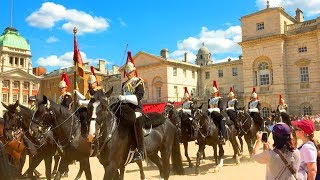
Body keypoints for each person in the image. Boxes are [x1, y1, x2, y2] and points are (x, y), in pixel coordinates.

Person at [118, 51, 145, 162]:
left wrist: (124, 98)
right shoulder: (124, 84)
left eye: (130, 71)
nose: (128, 73)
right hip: (125, 109)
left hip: (135, 109)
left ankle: (141, 151)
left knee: (136, 121)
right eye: (127, 71)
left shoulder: (138, 81)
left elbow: (139, 96)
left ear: (134, 71)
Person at [74, 66, 104, 142]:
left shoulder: (99, 90)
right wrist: (77, 93)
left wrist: (82, 102)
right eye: (89, 84)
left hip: (97, 111)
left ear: (95, 82)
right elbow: (85, 99)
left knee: (83, 114)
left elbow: (92, 102)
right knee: (78, 112)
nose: (90, 85)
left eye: (92, 83)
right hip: (90, 109)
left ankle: (86, 134)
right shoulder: (89, 91)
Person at [208, 80, 226, 145]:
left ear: (216, 93)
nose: (212, 94)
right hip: (211, 114)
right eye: (212, 93)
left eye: (214, 93)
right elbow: (208, 107)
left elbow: (221, 108)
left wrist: (212, 110)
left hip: (218, 114)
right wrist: (209, 110)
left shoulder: (219, 99)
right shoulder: (209, 100)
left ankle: (223, 137)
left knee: (221, 121)